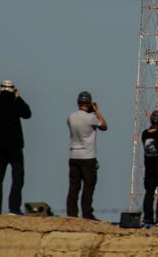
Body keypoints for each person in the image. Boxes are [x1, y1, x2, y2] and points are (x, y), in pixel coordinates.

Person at [0, 79, 32, 215]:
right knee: (18, 175)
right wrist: (19, 98)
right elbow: (27, 114)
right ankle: (14, 208)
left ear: (0, 88)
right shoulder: (15, 101)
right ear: (13, 89)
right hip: (14, 145)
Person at [66, 91, 107, 220]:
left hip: (74, 155)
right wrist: (96, 111)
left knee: (74, 187)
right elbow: (104, 126)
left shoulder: (71, 117)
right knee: (88, 187)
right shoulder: (91, 118)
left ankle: (71, 214)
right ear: (89, 104)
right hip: (88, 157)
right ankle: (87, 214)